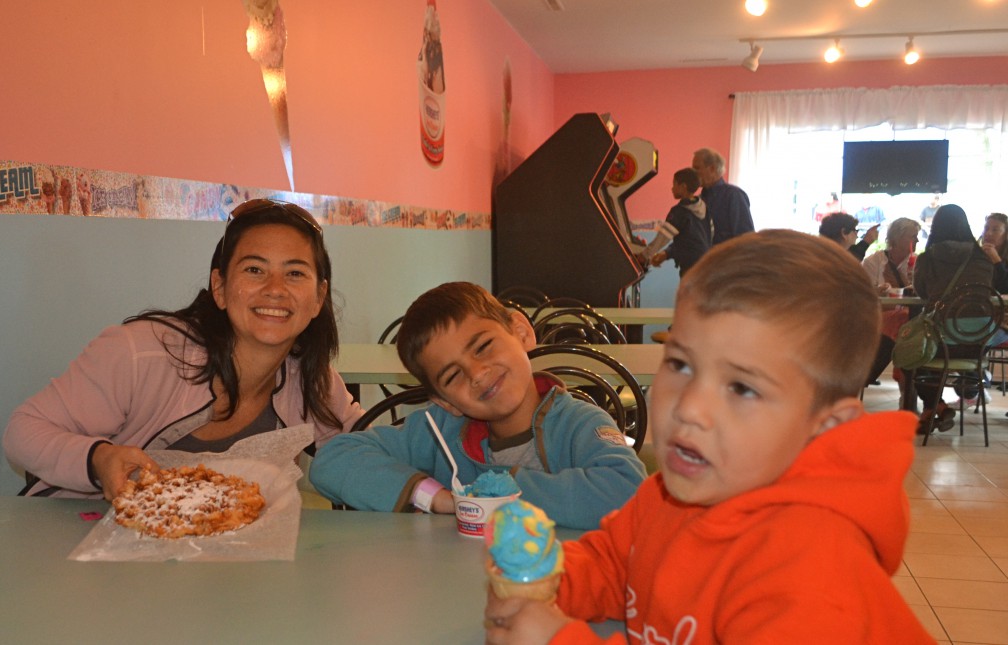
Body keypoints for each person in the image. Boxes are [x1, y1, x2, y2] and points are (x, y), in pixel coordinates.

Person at [483, 230, 932, 644]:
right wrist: (551, 582)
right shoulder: (667, 496)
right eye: (680, 364)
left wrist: (559, 640)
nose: (689, 406)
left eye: (742, 387)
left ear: (824, 429)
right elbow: (613, 563)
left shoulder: (811, 572)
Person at [4, 199, 364, 499]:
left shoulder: (310, 378)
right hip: (82, 543)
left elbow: (360, 449)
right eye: (255, 269)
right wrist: (99, 459)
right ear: (219, 287)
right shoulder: (141, 353)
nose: (275, 289)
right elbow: (23, 431)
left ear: (318, 297)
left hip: (215, 560)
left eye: (295, 273)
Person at [309, 282, 646, 529]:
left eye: (483, 346)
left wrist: (497, 494)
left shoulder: (579, 424)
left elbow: (629, 492)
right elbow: (333, 460)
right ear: (445, 401)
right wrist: (435, 497)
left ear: (521, 332)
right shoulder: (439, 429)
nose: (477, 373)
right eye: (453, 375)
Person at [912, 204, 994, 429]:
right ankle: (934, 410)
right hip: (977, 344)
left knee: (915, 355)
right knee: (924, 353)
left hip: (941, 341)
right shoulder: (983, 260)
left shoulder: (928, 258)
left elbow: (922, 293)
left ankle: (934, 408)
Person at [861, 217, 922, 387]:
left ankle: (871, 374)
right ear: (896, 238)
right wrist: (878, 290)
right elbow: (863, 294)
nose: (916, 240)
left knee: (904, 322)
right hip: (876, 316)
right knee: (904, 323)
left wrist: (911, 281)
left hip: (905, 317)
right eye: (913, 236)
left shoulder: (917, 263)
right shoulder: (875, 262)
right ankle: (905, 382)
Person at [640, 167, 712, 276]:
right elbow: (708, 234)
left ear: (683, 187)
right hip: (706, 264)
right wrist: (667, 254)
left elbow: (663, 237)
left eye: (674, 184)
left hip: (690, 267)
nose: (672, 188)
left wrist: (644, 256)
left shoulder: (679, 212)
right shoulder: (704, 207)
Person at [692, 147, 754, 245]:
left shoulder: (734, 196)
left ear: (712, 169)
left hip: (727, 258)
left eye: (697, 168)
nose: (693, 173)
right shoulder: (699, 199)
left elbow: (745, 237)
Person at [980, 212, 1008, 293]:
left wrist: (997, 261)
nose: (988, 233)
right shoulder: (975, 255)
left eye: (995, 230)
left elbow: (1005, 288)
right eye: (986, 228)